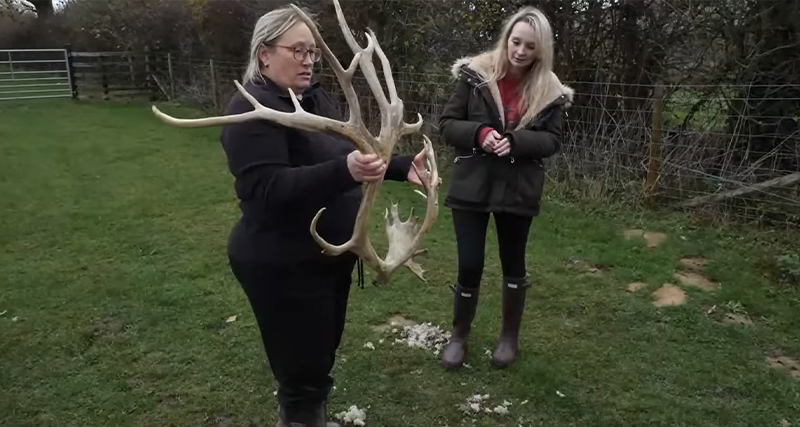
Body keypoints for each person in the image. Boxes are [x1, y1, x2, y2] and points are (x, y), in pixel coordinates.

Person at [220, 6, 427, 427]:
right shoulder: (250, 112)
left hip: (326, 260)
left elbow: (349, 152)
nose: (309, 60)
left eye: (312, 51)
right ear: (264, 54)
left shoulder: (313, 99)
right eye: (297, 50)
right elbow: (267, 190)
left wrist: (401, 167)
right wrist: (344, 171)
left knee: (318, 356)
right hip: (283, 264)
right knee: (302, 371)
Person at [437, 6, 574, 370]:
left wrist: (515, 142)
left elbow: (552, 141)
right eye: (516, 42)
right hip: (472, 184)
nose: (520, 51)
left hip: (518, 187)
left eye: (530, 46)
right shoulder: (475, 75)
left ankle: (509, 338)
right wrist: (479, 133)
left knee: (513, 262)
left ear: (541, 49)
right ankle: (459, 335)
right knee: (470, 263)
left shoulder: (550, 89)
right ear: (506, 39)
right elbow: (447, 124)